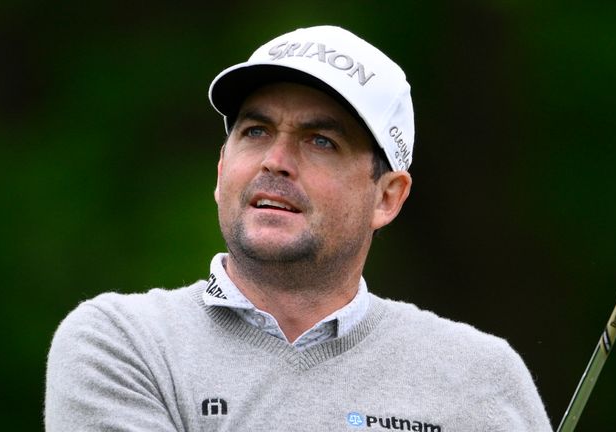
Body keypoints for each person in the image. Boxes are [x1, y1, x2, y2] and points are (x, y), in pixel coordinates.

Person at [45, 25, 552, 431]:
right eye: (256, 131)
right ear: (222, 170)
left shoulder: (480, 376)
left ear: (387, 197)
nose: (276, 161)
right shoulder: (124, 342)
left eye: (321, 141)